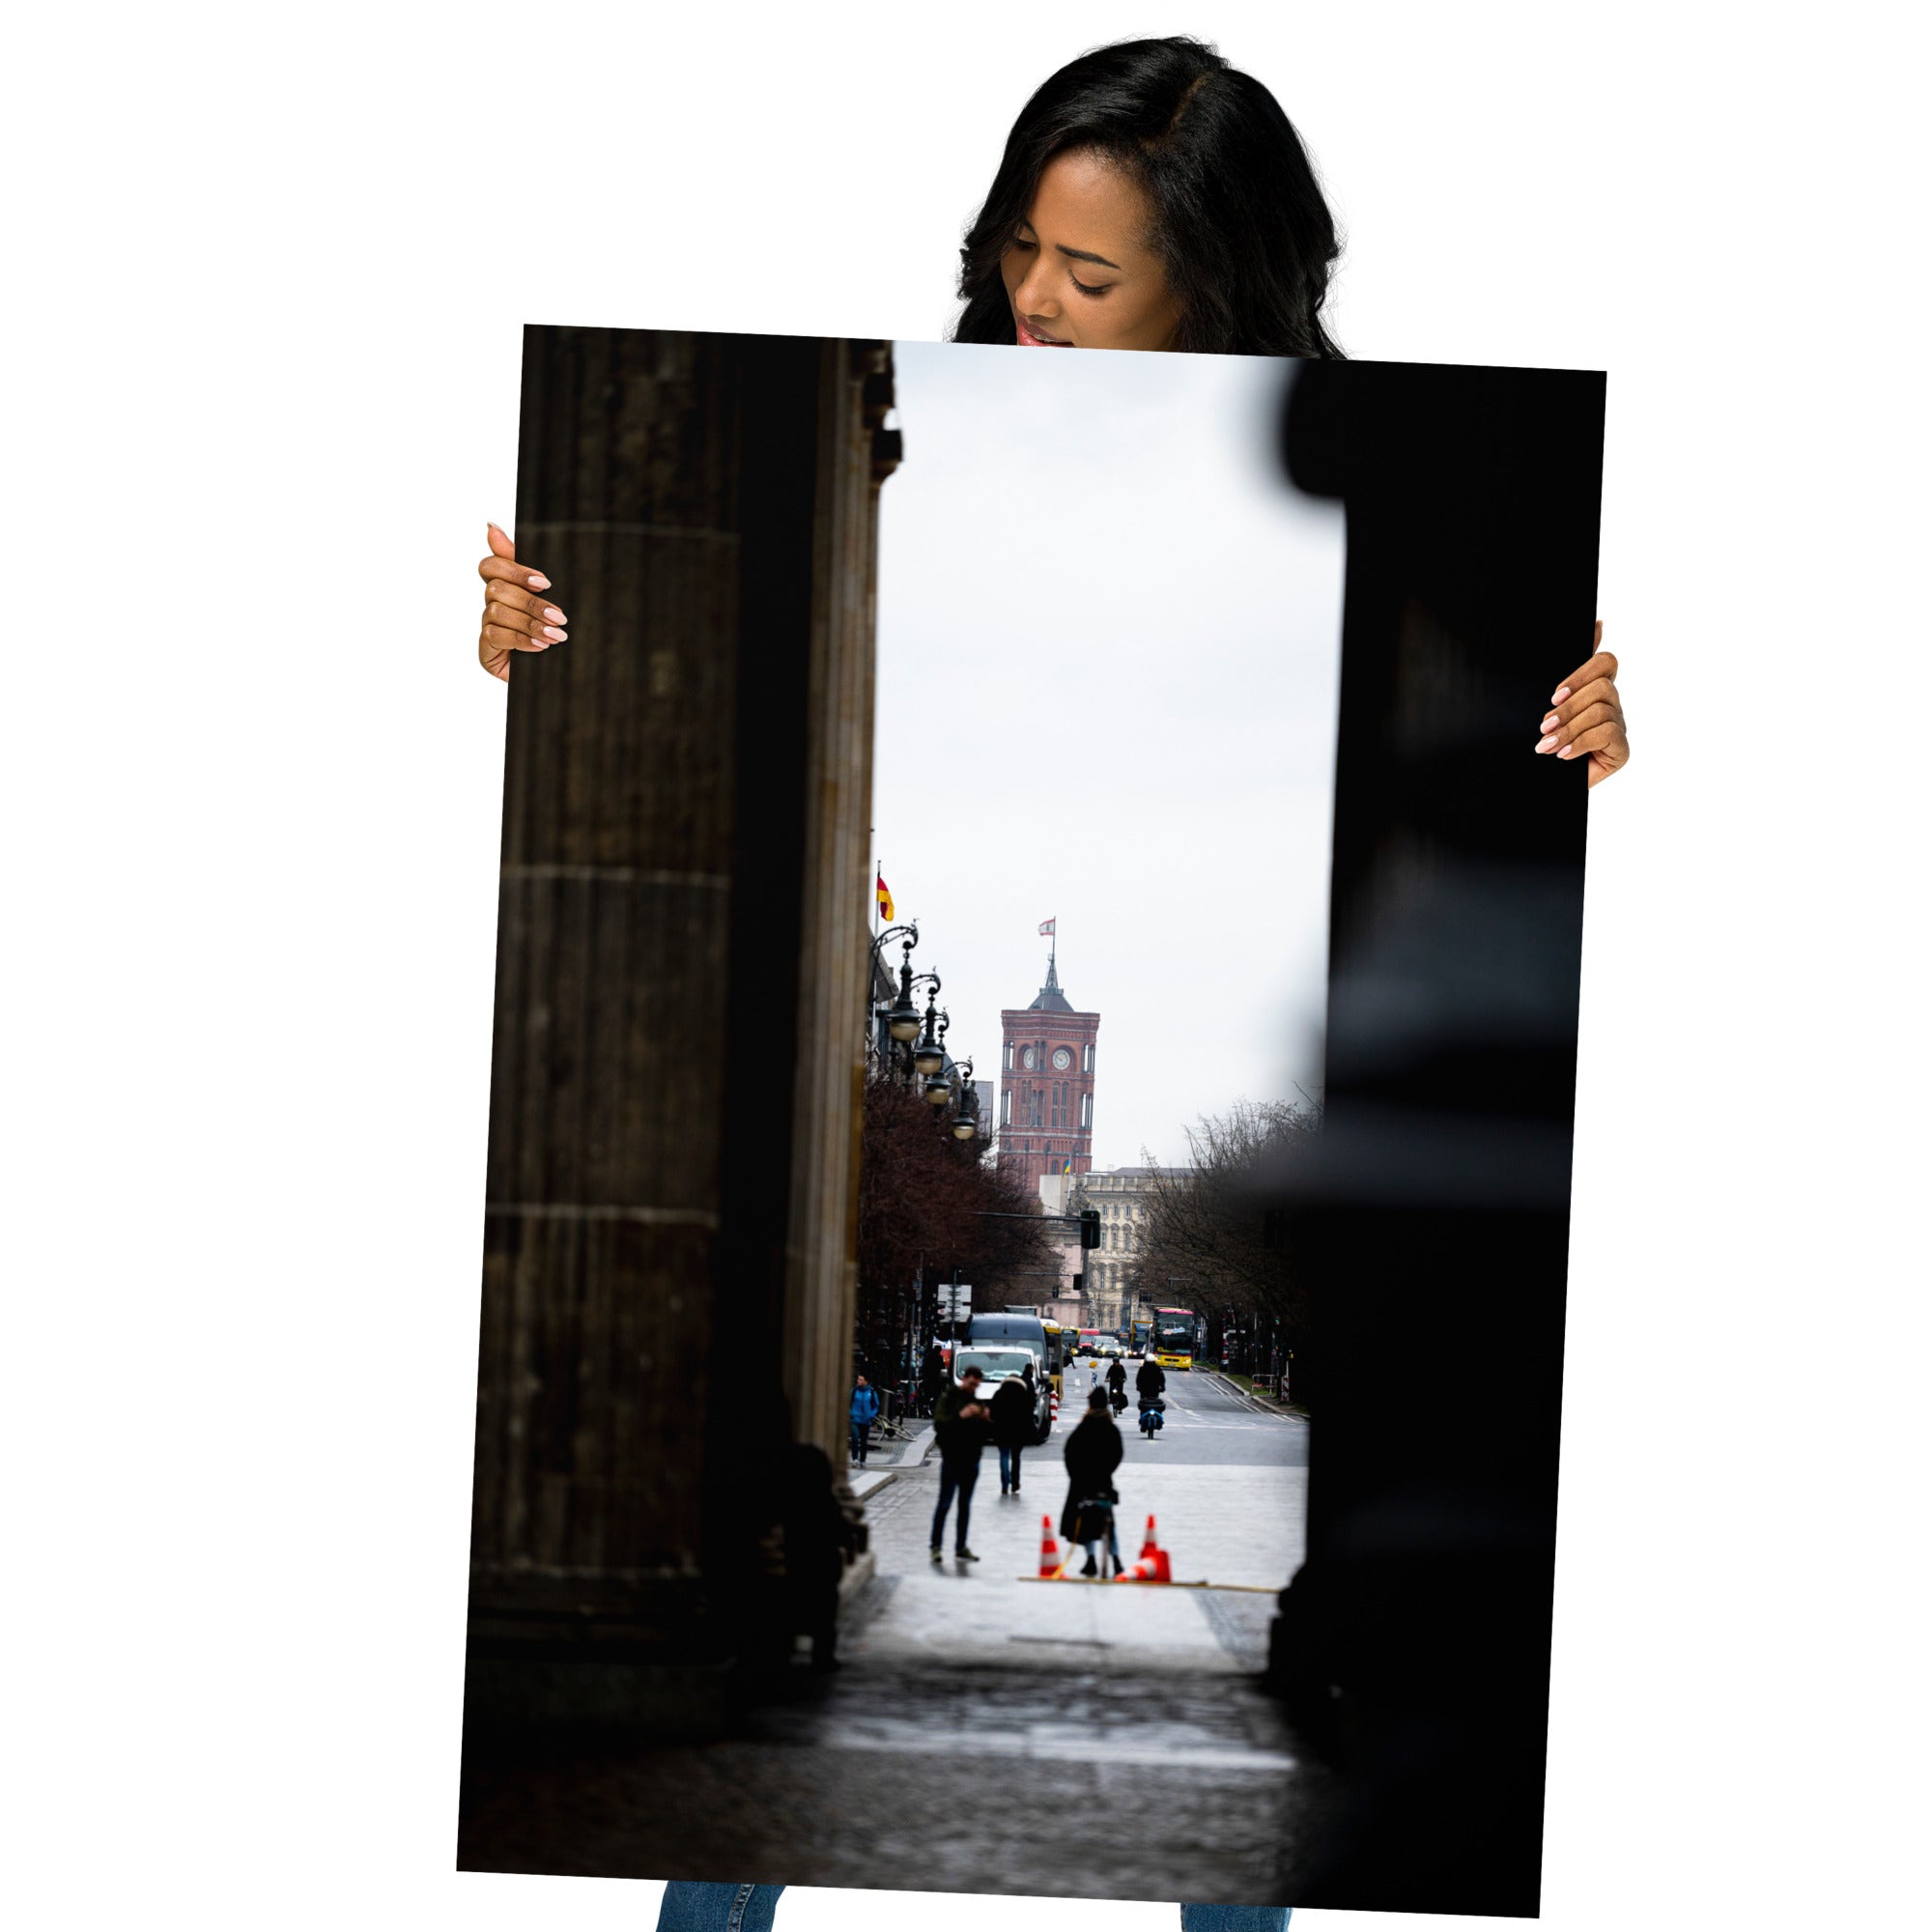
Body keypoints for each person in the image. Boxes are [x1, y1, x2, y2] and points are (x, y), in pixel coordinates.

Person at [473, 36, 1629, 809]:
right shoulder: (934, 432)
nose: (1030, 298)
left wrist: (1571, 750)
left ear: (1209, 285)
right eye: (1019, 245)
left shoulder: (1387, 492)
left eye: (1086, 272)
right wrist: (547, 642)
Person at [928, 1364, 992, 1562]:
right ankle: (936, 1547)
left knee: (965, 1506)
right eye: (972, 1383)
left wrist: (985, 1420)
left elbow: (986, 1435)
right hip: (952, 1459)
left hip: (972, 1460)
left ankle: (961, 1546)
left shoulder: (977, 1402)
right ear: (964, 1379)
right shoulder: (950, 1397)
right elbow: (940, 1425)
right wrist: (961, 1416)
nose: (974, 1388)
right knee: (945, 1503)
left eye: (977, 1385)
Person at [1062, 1385, 1126, 1577]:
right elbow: (1117, 1453)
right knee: (1108, 1523)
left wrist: (1075, 1474)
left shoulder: (1083, 1428)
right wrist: (1106, 1471)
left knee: (1087, 1521)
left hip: (1083, 1483)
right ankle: (1116, 1561)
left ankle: (1090, 1561)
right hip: (1104, 1483)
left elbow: (1069, 1452)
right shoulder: (1111, 1428)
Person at [989, 1363, 1037, 1495]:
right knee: (1016, 1457)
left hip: (1001, 1430)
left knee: (1004, 1456)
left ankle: (1005, 1484)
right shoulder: (1023, 1394)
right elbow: (1029, 1414)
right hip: (1018, 1431)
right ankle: (1015, 1484)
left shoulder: (999, 1393)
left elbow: (992, 1413)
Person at [848, 1373, 880, 1467]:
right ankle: (855, 1459)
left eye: (860, 1379)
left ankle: (863, 1460)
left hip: (866, 1420)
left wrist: (871, 1415)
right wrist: (851, 1413)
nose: (858, 1381)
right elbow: (848, 1403)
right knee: (855, 1438)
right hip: (855, 1419)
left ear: (866, 1381)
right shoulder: (853, 1391)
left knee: (864, 1441)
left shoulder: (871, 1392)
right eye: (858, 1379)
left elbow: (876, 1406)